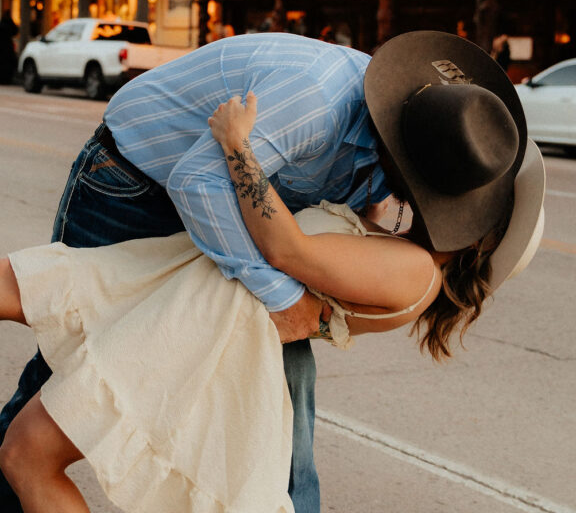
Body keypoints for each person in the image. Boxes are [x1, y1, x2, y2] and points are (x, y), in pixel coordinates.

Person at [0, 31, 545, 512]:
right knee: (61, 337)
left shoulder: (409, 259)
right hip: (138, 181)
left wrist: (240, 149)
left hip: (214, 275)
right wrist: (285, 297)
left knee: (60, 368)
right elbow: (202, 185)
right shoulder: (318, 100)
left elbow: (289, 247)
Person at [0, 11, 18, 85]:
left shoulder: (2, 24)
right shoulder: (8, 24)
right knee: (7, 65)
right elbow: (15, 31)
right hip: (7, 47)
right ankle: (6, 79)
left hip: (4, 48)